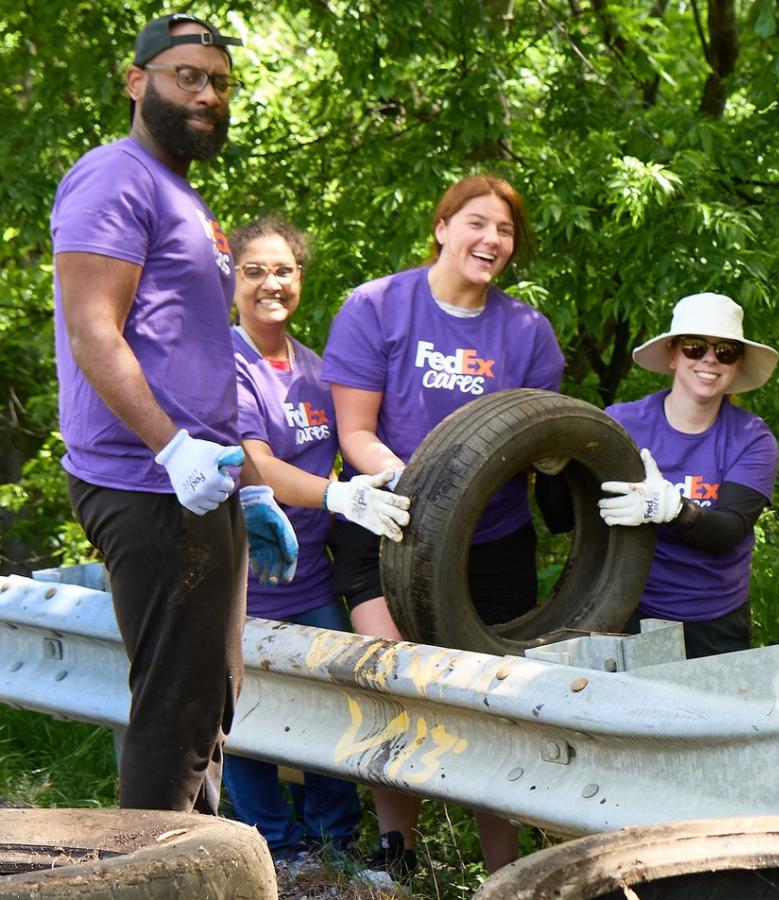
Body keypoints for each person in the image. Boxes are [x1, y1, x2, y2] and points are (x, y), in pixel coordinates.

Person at [51, 13, 298, 815]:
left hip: (200, 482)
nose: (206, 94)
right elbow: (94, 331)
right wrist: (173, 450)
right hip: (148, 480)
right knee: (178, 710)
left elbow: (184, 350)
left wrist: (243, 483)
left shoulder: (182, 195)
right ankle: (147, 874)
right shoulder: (113, 176)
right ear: (137, 81)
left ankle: (193, 864)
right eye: (186, 75)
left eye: (219, 82)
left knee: (208, 700)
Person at [322, 174, 565, 874]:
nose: (491, 239)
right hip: (385, 521)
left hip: (490, 541)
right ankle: (397, 853)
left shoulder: (526, 332)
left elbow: (543, 440)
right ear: (442, 226)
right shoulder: (376, 306)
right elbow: (356, 433)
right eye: (477, 222)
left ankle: (505, 872)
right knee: (397, 683)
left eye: (506, 230)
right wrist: (416, 487)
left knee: (493, 703)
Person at [225, 214, 409, 865]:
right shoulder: (227, 362)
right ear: (232, 278)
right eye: (255, 271)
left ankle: (334, 844)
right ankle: (274, 846)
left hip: (311, 577)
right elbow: (256, 465)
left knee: (337, 702)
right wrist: (338, 493)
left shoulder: (316, 368)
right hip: (242, 580)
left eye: (284, 269)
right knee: (246, 718)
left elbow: (350, 447)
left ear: (301, 277)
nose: (271, 283)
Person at [598, 293, 779, 659]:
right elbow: (567, 512)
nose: (710, 359)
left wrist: (675, 510)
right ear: (673, 355)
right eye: (695, 347)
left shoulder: (752, 439)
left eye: (725, 351)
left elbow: (728, 530)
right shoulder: (622, 422)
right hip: (627, 604)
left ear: (736, 363)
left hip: (713, 621)